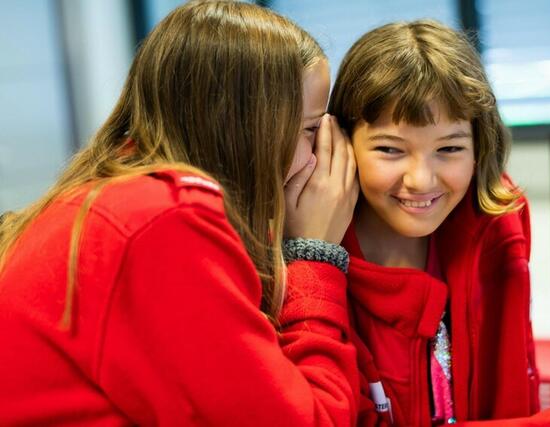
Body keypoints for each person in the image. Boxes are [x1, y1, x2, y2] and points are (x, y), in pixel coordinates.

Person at [0, 1, 359, 425]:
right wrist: (314, 257)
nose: (319, 159)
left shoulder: (115, 199)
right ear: (246, 128)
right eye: (310, 130)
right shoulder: (163, 220)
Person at [328, 20, 550, 426]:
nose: (421, 180)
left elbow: (516, 375)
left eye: (449, 148)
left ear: (481, 144)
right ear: (340, 143)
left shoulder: (497, 215)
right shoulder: (315, 248)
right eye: (390, 150)